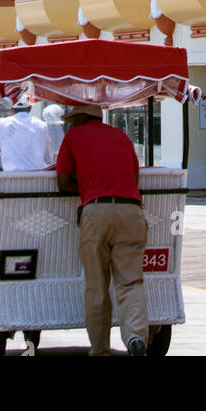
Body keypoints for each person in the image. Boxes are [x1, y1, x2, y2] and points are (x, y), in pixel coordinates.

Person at [56, 105, 148, 358]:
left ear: (80, 117)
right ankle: (135, 336)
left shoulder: (73, 137)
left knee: (96, 285)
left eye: (72, 119)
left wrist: (86, 181)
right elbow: (134, 177)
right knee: (131, 281)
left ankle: (100, 349)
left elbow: (62, 182)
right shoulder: (121, 137)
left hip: (96, 210)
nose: (70, 124)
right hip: (131, 211)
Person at [0, 98, 53, 174]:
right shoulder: (42, 125)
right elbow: (48, 158)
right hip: (38, 180)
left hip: (11, 180)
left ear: (11, 109)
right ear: (30, 108)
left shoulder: (2, 124)